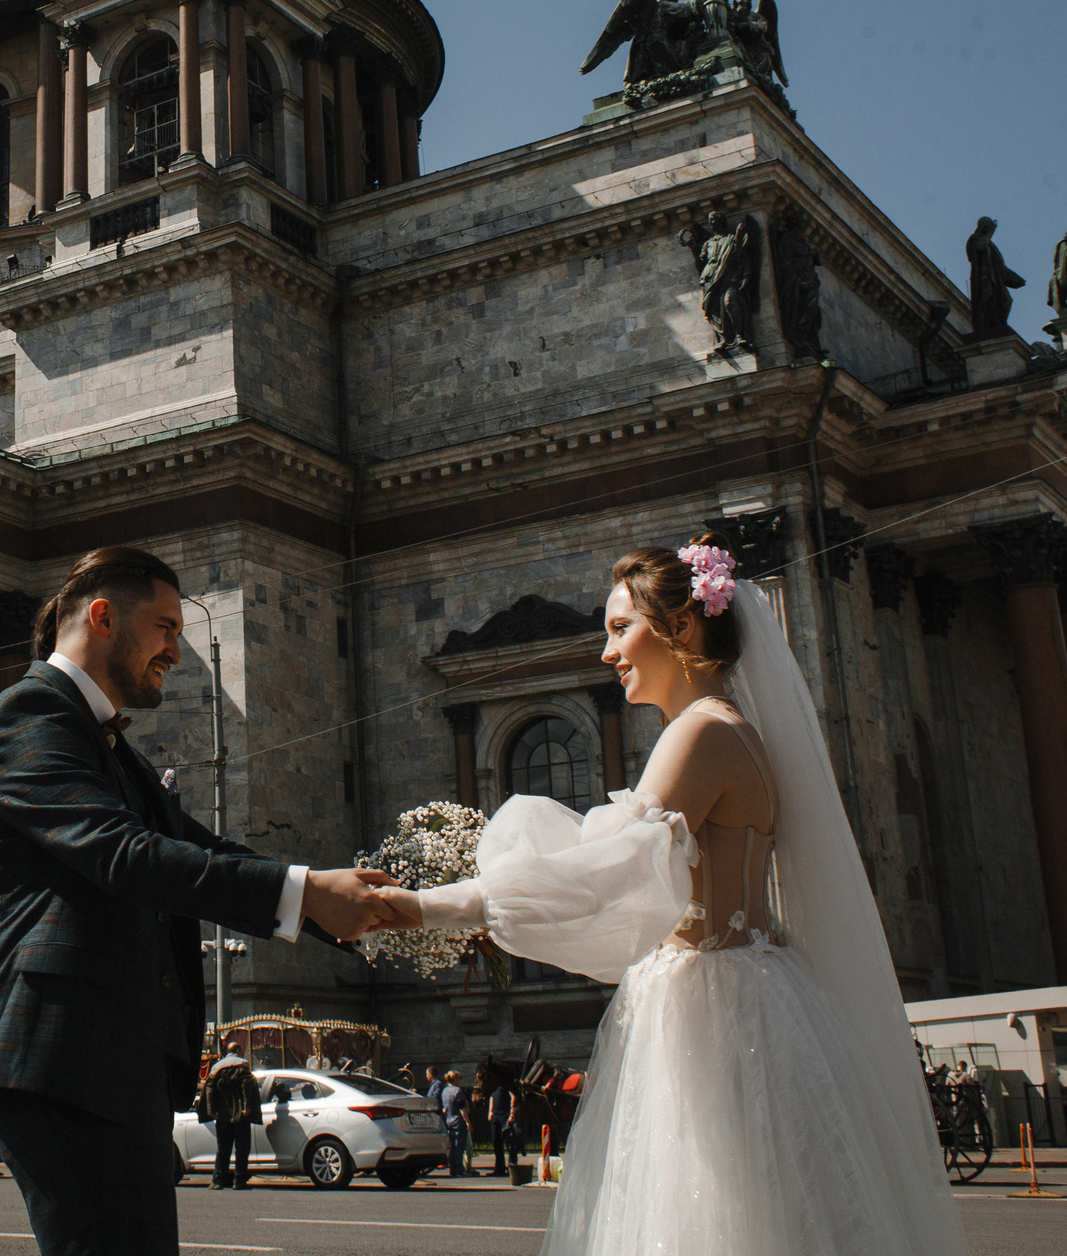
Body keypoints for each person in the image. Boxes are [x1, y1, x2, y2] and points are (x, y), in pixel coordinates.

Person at [375, 537, 967, 1254]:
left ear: (682, 625)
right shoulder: (732, 730)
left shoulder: (698, 736)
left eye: (621, 627)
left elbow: (594, 871)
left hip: (709, 1006)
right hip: (749, 992)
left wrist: (425, 905)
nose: (606, 652)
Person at [0, 546, 399, 1256]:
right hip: (64, 1063)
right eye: (165, 626)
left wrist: (349, 903)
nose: (178, 652)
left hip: (99, 1062)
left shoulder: (99, 739)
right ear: (102, 616)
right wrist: (306, 892)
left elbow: (201, 847)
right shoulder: (29, 714)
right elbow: (124, 855)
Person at [199, 1048, 258, 1189]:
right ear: (238, 1050)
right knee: (242, 1148)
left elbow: (209, 1089)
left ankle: (218, 1180)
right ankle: (239, 1180)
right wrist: (247, 1107)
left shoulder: (217, 1067)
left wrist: (211, 1110)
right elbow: (247, 1086)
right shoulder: (243, 1064)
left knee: (223, 1149)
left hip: (222, 1115)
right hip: (241, 1115)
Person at [487, 1074, 523, 1177]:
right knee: (496, 1143)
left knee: (510, 1143)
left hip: (505, 1116)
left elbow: (514, 1097)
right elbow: (492, 1097)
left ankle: (512, 1167)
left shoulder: (508, 1087)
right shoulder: (494, 1088)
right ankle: (499, 1168)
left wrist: (512, 1114)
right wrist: (490, 1111)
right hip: (495, 1117)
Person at [439, 1070, 472, 1177]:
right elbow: (462, 1108)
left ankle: (453, 1169)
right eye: (459, 1078)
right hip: (458, 1121)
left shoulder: (444, 1091)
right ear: (455, 1079)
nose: (460, 1080)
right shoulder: (458, 1091)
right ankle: (459, 1170)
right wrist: (468, 1121)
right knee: (459, 1146)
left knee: (452, 1146)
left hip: (448, 1120)